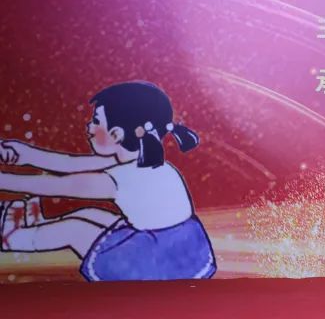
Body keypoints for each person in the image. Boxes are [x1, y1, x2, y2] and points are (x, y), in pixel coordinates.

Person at [0, 80, 216, 281]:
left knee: (74, 229)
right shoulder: (143, 161)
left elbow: (56, 186)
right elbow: (70, 164)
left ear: (116, 134)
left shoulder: (119, 181)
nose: (89, 127)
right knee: (91, 214)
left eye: (96, 121)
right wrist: (24, 155)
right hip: (185, 249)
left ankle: (14, 238)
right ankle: (34, 226)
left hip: (157, 264)